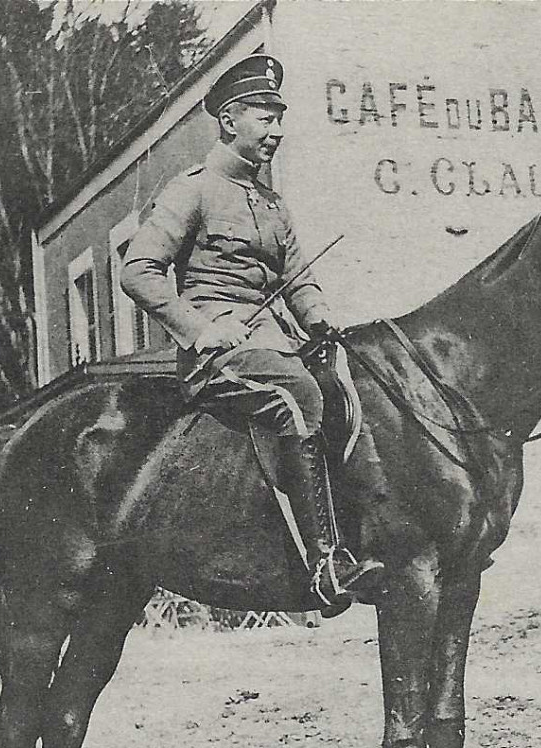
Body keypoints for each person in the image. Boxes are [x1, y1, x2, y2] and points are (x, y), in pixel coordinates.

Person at [120, 54, 384, 610]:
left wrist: (320, 318)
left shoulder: (272, 204)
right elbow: (139, 270)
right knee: (301, 396)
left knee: (349, 390)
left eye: (279, 117)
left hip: (275, 346)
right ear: (229, 120)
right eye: (266, 117)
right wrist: (200, 330)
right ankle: (324, 565)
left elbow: (298, 278)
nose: (278, 131)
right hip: (217, 355)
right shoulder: (192, 189)